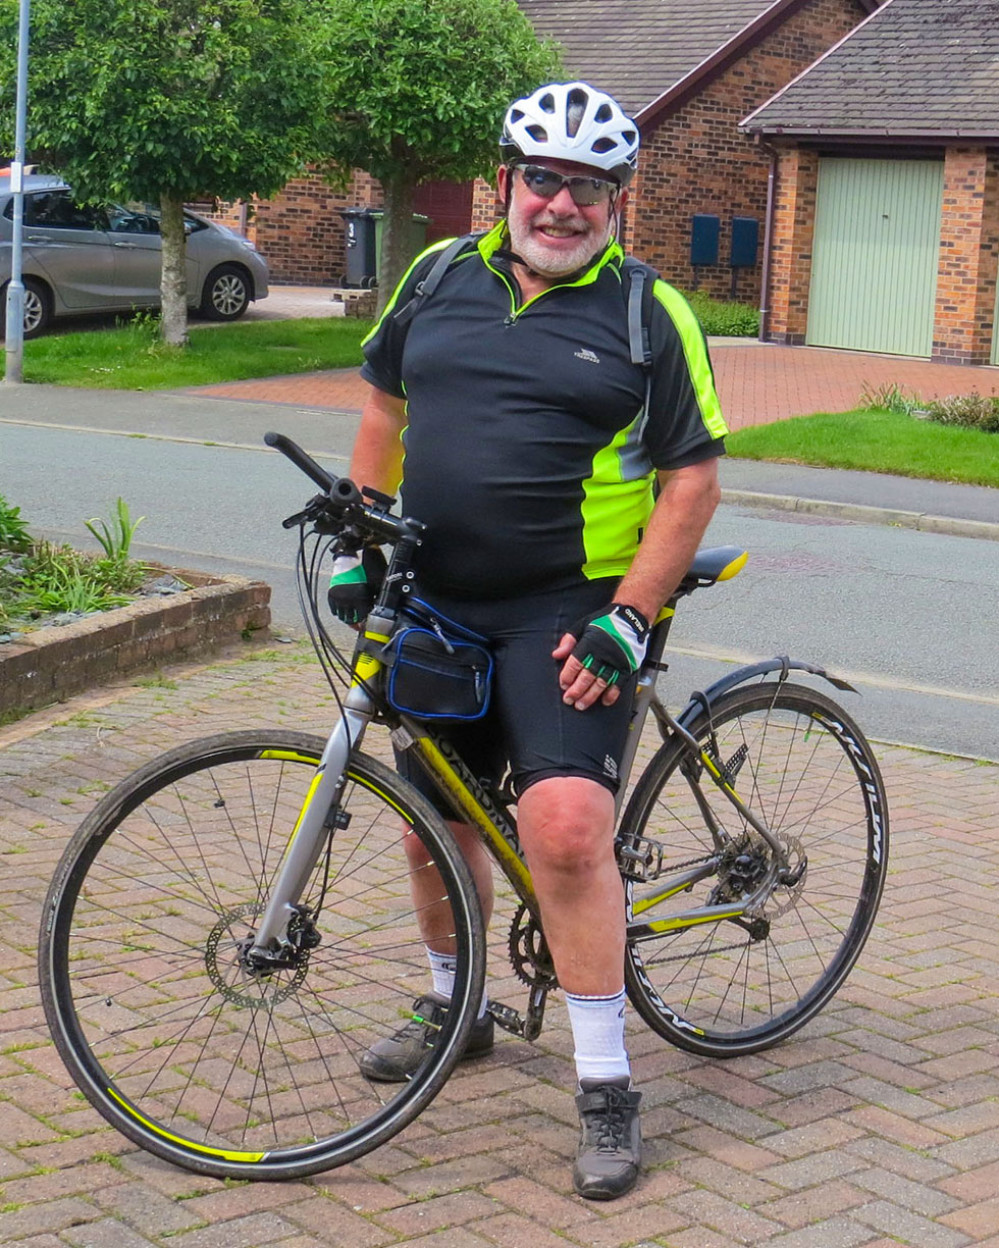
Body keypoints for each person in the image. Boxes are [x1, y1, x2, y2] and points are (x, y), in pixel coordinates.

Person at [329, 80, 727, 1200]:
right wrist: (361, 531)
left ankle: (607, 1085)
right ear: (507, 179)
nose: (562, 204)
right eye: (543, 178)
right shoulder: (437, 275)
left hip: (573, 609)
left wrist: (628, 617)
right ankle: (458, 1007)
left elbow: (694, 479)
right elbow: (384, 406)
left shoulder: (650, 314)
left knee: (561, 830)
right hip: (438, 600)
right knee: (431, 825)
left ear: (616, 200)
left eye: (589, 187)